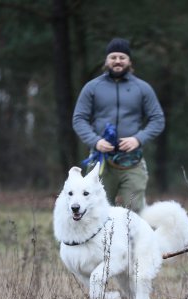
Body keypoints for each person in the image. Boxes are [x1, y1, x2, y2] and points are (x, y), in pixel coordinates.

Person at [72, 37, 165, 213]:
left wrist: (138, 139)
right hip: (100, 161)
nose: (117, 61)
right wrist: (95, 141)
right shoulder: (92, 87)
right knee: (96, 209)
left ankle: (132, 241)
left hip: (133, 162)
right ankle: (102, 241)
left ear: (129, 61)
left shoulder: (142, 88)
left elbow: (158, 119)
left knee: (135, 210)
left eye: (122, 57)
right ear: (106, 60)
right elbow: (79, 118)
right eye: (113, 57)